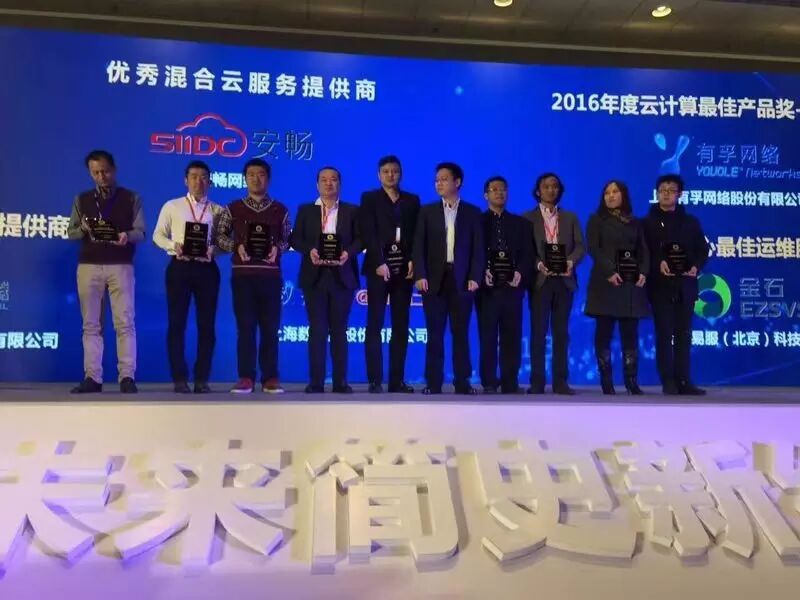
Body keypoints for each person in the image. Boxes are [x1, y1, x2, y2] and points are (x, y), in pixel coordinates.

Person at [67, 150, 145, 394]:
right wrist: (83, 228)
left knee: (125, 322)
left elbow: (141, 232)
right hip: (89, 265)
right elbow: (71, 232)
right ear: (90, 173)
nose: (101, 176)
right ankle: (92, 377)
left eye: (105, 171)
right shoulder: (81, 199)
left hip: (120, 264)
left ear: (114, 169)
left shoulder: (131, 198)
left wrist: (126, 236)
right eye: (96, 173)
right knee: (91, 324)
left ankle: (127, 376)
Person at [216, 158, 291, 394]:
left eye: (261, 174)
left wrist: (277, 248)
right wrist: (235, 246)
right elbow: (219, 236)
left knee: (270, 328)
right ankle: (246, 377)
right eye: (251, 175)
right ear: (245, 179)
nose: (256, 179)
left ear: (268, 179)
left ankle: (270, 377)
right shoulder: (233, 208)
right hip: (243, 276)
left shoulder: (280, 210)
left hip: (271, 276)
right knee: (246, 328)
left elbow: (288, 239)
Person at [413, 162, 484, 395]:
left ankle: (462, 382)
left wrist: (475, 276)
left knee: (460, 333)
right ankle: (433, 382)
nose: (439, 183)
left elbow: (478, 249)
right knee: (434, 333)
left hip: (462, 280)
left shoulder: (472, 212)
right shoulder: (427, 211)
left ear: (457, 182)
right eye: (437, 180)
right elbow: (418, 246)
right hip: (434, 281)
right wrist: (420, 274)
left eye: (444, 179)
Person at [153, 160, 223, 394]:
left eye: (203, 177)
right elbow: (157, 236)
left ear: (210, 181)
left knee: (207, 326)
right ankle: (179, 378)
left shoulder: (218, 210)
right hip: (179, 267)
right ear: (186, 180)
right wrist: (173, 245)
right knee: (177, 324)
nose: (198, 181)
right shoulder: (172, 206)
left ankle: (202, 379)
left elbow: (226, 243)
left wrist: (215, 249)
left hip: (207, 269)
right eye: (194, 176)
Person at [290, 166, 361, 394]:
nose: (329, 183)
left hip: (342, 276)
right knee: (317, 330)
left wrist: (347, 253)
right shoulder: (306, 210)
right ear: (317, 184)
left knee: (339, 330)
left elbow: (361, 239)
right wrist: (310, 250)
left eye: (333, 179)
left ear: (340, 184)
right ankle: (316, 382)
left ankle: (340, 382)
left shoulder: (352, 211)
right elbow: (295, 239)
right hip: (315, 277)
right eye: (324, 180)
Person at [642, 174, 709, 395]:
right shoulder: (647, 223)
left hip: (685, 286)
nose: (666, 194)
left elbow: (702, 250)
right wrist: (657, 263)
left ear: (679, 194)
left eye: (671, 190)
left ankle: (684, 380)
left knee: (684, 335)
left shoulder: (691, 222)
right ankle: (668, 380)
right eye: (662, 190)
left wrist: (695, 267)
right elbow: (643, 252)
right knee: (664, 334)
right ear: (657, 193)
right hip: (660, 286)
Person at [359, 155, 420, 394]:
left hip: (404, 270)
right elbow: (368, 232)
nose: (390, 175)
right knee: (375, 323)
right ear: (379, 175)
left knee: (401, 325)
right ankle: (375, 379)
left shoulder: (412, 200)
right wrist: (379, 261)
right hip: (378, 269)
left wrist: (413, 260)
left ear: (400, 174)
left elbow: (416, 234)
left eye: (394, 171)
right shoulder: (370, 198)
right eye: (385, 171)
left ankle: (397, 380)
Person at [584, 180, 649, 395]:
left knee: (630, 334)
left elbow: (643, 250)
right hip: (606, 283)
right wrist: (610, 271)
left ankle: (631, 381)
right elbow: (594, 248)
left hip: (630, 285)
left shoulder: (635, 222)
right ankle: (606, 381)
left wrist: (643, 272)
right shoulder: (596, 220)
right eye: (607, 193)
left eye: (615, 192)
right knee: (604, 333)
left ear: (624, 195)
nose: (610, 196)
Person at [523, 172, 585, 395]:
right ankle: (537, 382)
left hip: (564, 280)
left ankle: (561, 381)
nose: (551, 190)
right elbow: (525, 250)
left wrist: (570, 262)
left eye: (555, 186)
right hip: (541, 281)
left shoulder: (570, 217)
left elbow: (581, 246)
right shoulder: (527, 218)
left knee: (561, 333)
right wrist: (539, 264)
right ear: (538, 191)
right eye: (546, 186)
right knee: (538, 333)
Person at [476, 176, 531, 394]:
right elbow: (471, 253)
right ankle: (489, 381)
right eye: (494, 189)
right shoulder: (476, 222)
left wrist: (520, 272)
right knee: (487, 336)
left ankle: (510, 381)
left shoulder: (521, 224)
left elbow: (528, 254)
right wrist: (482, 271)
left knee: (512, 336)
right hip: (487, 289)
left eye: (503, 189)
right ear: (485, 195)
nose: (500, 193)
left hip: (512, 288)